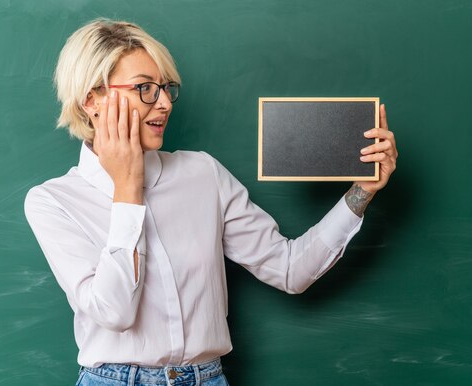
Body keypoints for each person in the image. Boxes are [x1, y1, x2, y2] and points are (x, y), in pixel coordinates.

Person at [24, 18, 398, 386]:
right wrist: (127, 190)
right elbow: (115, 311)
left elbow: (290, 270)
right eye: (145, 88)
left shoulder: (203, 174)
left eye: (167, 88)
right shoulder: (53, 202)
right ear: (93, 99)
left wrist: (361, 191)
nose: (165, 103)